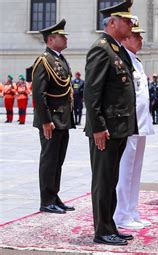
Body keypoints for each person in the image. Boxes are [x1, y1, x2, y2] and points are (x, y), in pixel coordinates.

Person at [84, 1, 137, 246]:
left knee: (111, 179)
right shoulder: (101, 49)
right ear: (112, 22)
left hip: (118, 128)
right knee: (103, 180)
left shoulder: (117, 49)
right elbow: (92, 93)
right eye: (126, 21)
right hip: (105, 130)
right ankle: (102, 231)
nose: (131, 24)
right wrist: (97, 127)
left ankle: (109, 225)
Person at [113, 17, 155, 230]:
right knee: (125, 171)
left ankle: (132, 210)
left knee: (135, 170)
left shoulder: (136, 61)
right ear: (126, 38)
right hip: (128, 126)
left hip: (140, 124)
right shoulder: (122, 60)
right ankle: (121, 214)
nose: (140, 39)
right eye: (136, 36)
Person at [31, 19, 76, 215]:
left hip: (63, 119)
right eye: (62, 36)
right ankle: (46, 200)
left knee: (58, 160)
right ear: (51, 39)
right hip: (51, 121)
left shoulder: (60, 59)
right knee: (49, 160)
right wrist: (46, 121)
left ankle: (54, 195)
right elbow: (39, 94)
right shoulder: (43, 61)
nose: (66, 38)